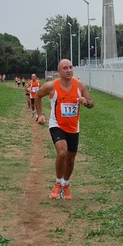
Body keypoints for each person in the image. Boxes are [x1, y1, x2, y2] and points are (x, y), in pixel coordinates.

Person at [34, 59, 94, 200]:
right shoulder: (51, 86)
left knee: (71, 159)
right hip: (57, 124)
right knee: (62, 153)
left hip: (73, 126)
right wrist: (40, 114)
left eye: (70, 67)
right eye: (65, 68)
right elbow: (37, 96)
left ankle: (65, 185)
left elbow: (91, 103)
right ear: (59, 71)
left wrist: (86, 102)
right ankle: (58, 182)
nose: (68, 70)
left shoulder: (80, 86)